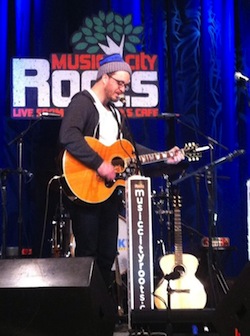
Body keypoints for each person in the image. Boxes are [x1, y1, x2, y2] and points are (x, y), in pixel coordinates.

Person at [59, 53, 185, 290]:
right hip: (85, 193)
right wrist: (99, 164)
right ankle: (85, 317)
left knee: (107, 255)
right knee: (88, 254)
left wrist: (166, 156)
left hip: (107, 196)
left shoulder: (115, 113)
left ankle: (101, 313)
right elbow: (68, 136)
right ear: (104, 77)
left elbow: (131, 152)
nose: (123, 90)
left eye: (126, 85)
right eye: (120, 83)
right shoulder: (83, 103)